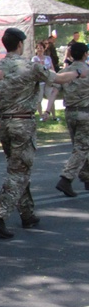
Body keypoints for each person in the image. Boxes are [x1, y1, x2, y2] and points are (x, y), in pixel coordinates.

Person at [0, 27, 86, 239]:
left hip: (4, 124)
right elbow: (58, 79)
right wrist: (78, 72)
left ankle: (27, 213)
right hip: (23, 123)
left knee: (18, 168)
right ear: (19, 44)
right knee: (19, 171)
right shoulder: (30, 66)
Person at [55, 42, 89, 197]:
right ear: (85, 54)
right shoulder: (87, 71)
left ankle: (86, 176)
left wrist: (48, 110)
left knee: (81, 146)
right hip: (85, 113)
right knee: (82, 148)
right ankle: (66, 179)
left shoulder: (65, 72)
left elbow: (55, 91)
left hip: (70, 113)